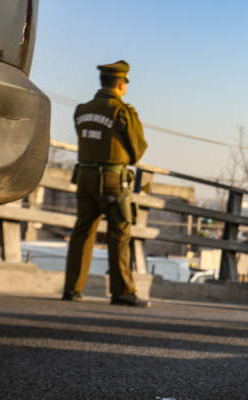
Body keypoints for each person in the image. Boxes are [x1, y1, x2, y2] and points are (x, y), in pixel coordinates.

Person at [62, 60, 150, 307]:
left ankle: (72, 289)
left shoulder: (82, 109)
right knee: (119, 232)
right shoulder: (122, 112)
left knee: (82, 232)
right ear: (121, 84)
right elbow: (137, 152)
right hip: (112, 180)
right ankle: (122, 291)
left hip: (84, 176)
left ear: (102, 82)